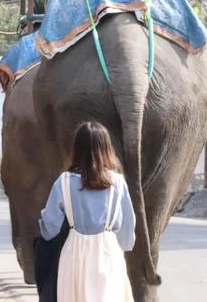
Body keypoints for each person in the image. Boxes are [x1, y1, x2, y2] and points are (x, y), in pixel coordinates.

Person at [39, 121, 135, 301]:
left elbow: (49, 227)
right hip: (108, 252)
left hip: (74, 254)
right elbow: (127, 233)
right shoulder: (118, 183)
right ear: (107, 148)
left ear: (76, 149)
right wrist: (119, 247)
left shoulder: (64, 182)